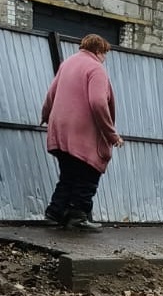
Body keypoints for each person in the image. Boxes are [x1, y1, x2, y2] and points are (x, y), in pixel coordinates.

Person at [41, 34, 123, 232]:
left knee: (68, 174)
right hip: (82, 132)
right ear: (98, 51)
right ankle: (77, 216)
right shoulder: (95, 68)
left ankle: (55, 213)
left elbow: (50, 95)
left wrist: (45, 116)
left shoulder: (67, 64)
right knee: (88, 174)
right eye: (105, 54)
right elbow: (97, 102)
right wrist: (112, 135)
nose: (105, 58)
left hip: (60, 129)